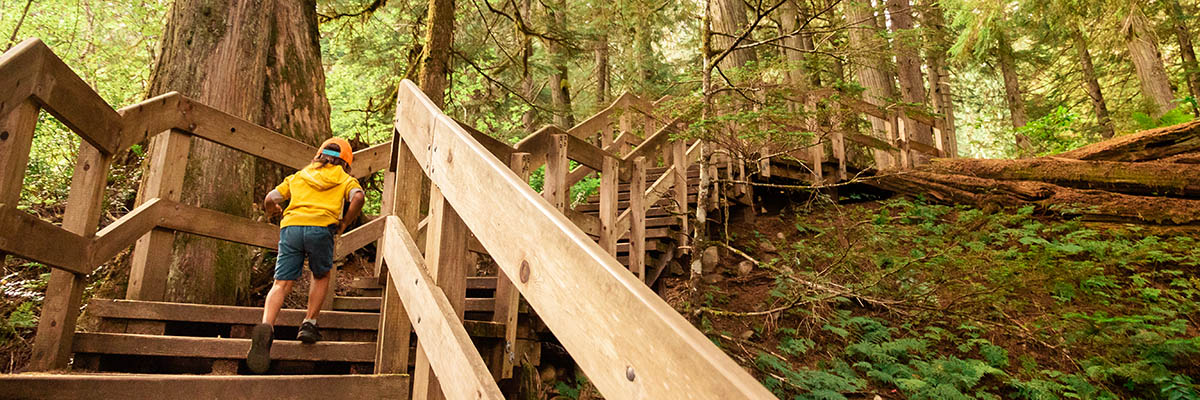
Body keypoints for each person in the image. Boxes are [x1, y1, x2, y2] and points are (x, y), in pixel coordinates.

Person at [246, 137, 365, 374]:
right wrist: (344, 223)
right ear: (346, 162)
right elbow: (358, 197)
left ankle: (267, 325)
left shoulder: (299, 176)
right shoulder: (344, 179)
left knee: (281, 283)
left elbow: (270, 198)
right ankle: (309, 323)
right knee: (320, 275)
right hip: (321, 228)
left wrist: (273, 212)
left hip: (291, 228)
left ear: (319, 155)